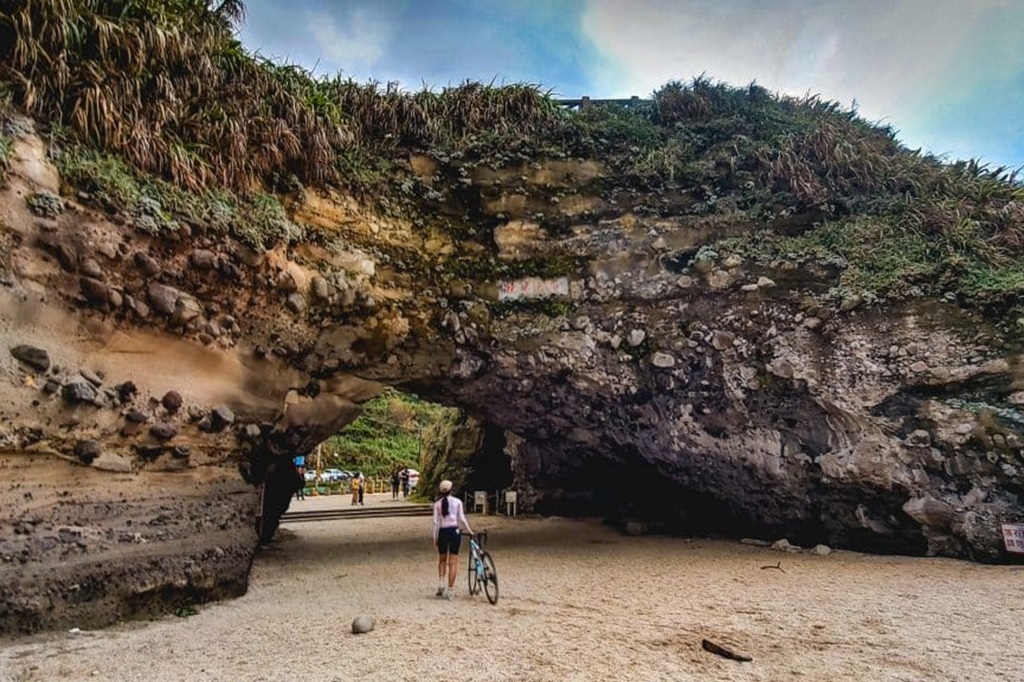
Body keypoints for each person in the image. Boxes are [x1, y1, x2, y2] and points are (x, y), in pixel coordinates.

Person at [432, 479, 473, 600]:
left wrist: (435, 537)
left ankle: (441, 583)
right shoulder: (457, 502)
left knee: (442, 559)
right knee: (453, 561)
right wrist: (469, 530)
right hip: (454, 531)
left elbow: (435, 522)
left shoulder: (437, 504)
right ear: (451, 490)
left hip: (443, 532)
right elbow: (462, 518)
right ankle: (450, 590)